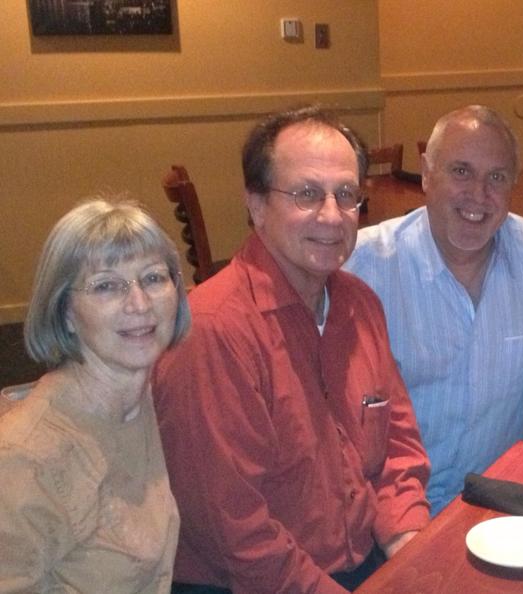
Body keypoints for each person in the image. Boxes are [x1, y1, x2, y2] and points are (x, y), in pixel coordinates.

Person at [152, 105, 430, 593]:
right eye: (306, 194)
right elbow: (233, 529)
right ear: (257, 205)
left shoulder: (360, 304)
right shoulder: (213, 332)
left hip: (353, 561)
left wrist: (410, 544)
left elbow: (397, 448)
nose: (331, 215)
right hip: (242, 581)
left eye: (346, 195)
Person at [344, 105, 523, 513]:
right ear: (426, 173)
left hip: (497, 507)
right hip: (386, 510)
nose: (479, 194)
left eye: (496, 177)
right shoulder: (366, 265)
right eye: (461, 171)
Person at [0, 197, 189, 593]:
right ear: (65, 311)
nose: (139, 304)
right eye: (106, 286)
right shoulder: (23, 459)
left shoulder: (143, 402)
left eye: (153, 278)